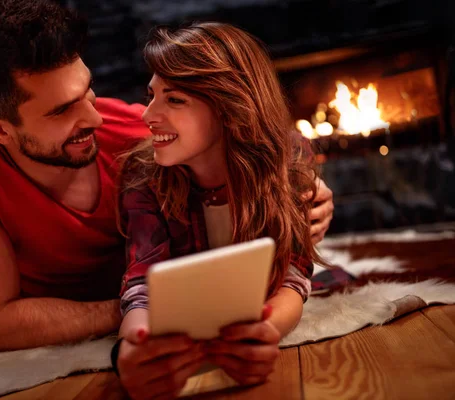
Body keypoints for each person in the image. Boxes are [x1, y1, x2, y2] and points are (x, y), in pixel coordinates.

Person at [0, 0, 334, 352]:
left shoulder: (139, 136)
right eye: (63, 110)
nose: (96, 117)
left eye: (88, 90)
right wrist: (159, 310)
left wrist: (302, 188)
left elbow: (248, 132)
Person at [114, 22, 328, 399]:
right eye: (152, 95)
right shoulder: (143, 175)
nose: (148, 115)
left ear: (230, 107)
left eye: (174, 100)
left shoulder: (289, 157)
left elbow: (294, 273)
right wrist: (135, 344)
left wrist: (266, 331)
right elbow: (140, 284)